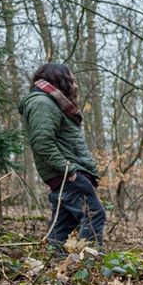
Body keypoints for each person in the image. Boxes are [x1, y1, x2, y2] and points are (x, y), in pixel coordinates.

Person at [19, 63, 105, 247]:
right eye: (72, 80)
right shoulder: (41, 103)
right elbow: (42, 142)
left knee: (63, 226)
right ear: (60, 80)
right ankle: (91, 265)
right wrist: (70, 171)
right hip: (67, 175)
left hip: (67, 174)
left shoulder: (52, 104)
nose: (75, 85)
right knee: (94, 214)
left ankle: (55, 266)